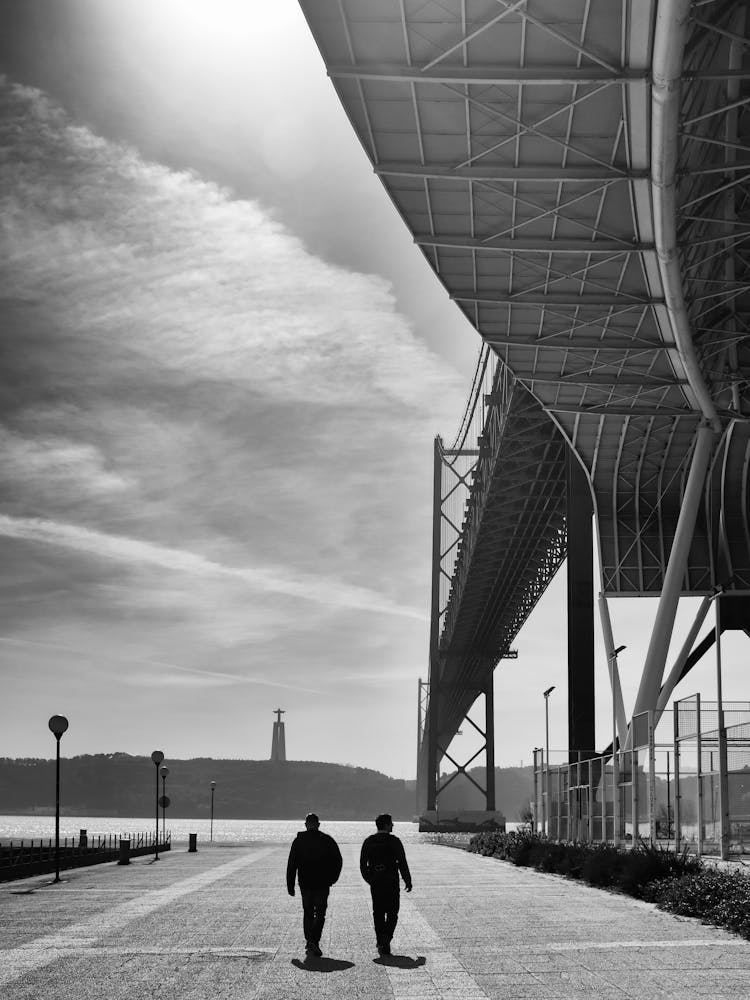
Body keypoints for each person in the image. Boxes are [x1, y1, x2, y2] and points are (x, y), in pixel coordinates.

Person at [286, 813, 343, 957]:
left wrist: (290, 885)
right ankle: (313, 940)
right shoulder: (327, 840)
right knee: (320, 913)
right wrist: (332, 878)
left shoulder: (298, 841)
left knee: (308, 911)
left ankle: (310, 940)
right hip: (322, 883)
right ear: (318, 824)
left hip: (305, 883)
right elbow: (338, 860)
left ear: (306, 825)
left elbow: (292, 864)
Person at [359, 813, 412, 955]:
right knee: (393, 912)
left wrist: (370, 879)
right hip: (392, 882)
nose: (393, 825)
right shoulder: (394, 841)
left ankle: (381, 940)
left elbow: (363, 864)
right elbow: (402, 862)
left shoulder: (369, 841)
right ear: (387, 825)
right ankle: (386, 938)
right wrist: (407, 880)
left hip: (376, 883)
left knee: (378, 912)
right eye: (391, 823)